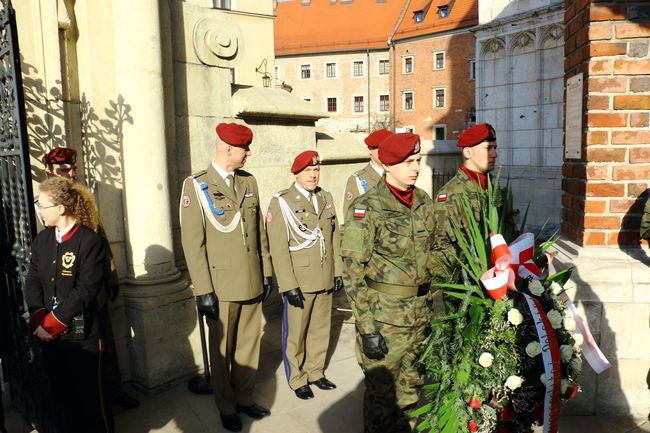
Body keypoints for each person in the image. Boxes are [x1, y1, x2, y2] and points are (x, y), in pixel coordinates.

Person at [180, 123, 273, 432]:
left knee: (248, 346)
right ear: (228, 149)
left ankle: (245, 398)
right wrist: (202, 290)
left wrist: (268, 272)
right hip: (220, 286)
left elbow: (259, 232)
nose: (249, 153)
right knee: (222, 352)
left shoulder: (249, 182)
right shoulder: (197, 186)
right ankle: (226, 405)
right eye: (244, 148)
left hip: (251, 280)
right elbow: (193, 244)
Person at [341, 133, 436, 433]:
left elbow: (433, 253)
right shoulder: (366, 207)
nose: (416, 168)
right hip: (385, 321)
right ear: (389, 164)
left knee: (411, 391)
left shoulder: (423, 201)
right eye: (409, 162)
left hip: (420, 316)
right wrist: (367, 328)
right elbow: (353, 271)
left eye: (418, 161)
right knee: (382, 398)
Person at [39, 147, 140, 410]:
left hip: (92, 289)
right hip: (61, 296)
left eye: (73, 168)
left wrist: (112, 276)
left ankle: (114, 392)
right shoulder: (40, 205)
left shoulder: (82, 197)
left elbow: (101, 239)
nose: (71, 173)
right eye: (64, 169)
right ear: (49, 171)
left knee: (105, 344)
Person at [25, 177, 113, 433]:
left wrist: (52, 324)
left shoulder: (89, 242)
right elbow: (32, 280)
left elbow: (85, 290)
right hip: (47, 335)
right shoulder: (41, 241)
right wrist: (39, 318)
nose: (38, 210)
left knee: (89, 402)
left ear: (61, 208)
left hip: (81, 336)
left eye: (41, 204)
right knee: (61, 400)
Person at [266, 150, 343, 400]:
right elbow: (277, 248)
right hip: (300, 280)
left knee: (321, 329)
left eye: (316, 169)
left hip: (324, 277)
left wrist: (338, 271)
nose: (313, 174)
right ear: (297, 173)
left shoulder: (326, 197)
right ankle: (297, 378)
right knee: (296, 333)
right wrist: (288, 285)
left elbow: (334, 238)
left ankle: (315, 371)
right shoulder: (282, 201)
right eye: (308, 170)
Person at [432, 123, 517, 282]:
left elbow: (510, 231)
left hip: (504, 278)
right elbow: (441, 246)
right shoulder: (449, 195)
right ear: (468, 152)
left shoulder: (496, 188)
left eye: (495, 148)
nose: (494, 154)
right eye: (488, 148)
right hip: (470, 284)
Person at [342, 129, 393, 215]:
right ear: (370, 150)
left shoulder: (397, 175)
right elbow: (352, 220)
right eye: (381, 148)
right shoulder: (358, 180)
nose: (386, 151)